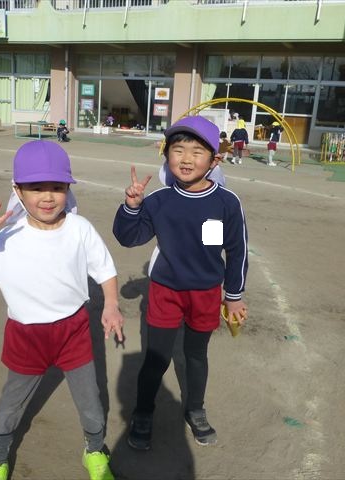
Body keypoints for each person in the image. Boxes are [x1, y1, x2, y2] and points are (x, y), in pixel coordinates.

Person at [0, 140, 124, 480]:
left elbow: (104, 268)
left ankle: (94, 450)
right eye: (36, 188)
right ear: (17, 190)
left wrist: (111, 304)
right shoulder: (5, 238)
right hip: (26, 335)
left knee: (90, 401)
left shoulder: (79, 228)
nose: (48, 197)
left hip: (73, 330)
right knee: (11, 404)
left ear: (68, 190)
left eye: (57, 187)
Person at [113, 115, 249, 451]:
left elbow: (237, 250)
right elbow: (129, 238)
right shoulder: (159, 201)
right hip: (165, 292)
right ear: (167, 155)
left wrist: (233, 295)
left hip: (205, 293)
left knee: (196, 355)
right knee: (156, 357)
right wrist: (131, 207)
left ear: (214, 160)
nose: (186, 159)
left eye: (197, 152)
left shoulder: (227, 203)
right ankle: (143, 412)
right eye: (178, 150)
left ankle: (195, 409)